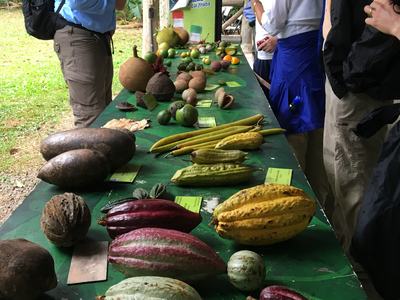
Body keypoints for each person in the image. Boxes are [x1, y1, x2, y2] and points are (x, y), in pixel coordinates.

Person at [322, 0, 400, 253]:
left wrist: (348, 74)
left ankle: (362, 278)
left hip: (358, 90)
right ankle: (348, 257)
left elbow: (381, 19)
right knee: (339, 182)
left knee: (354, 188)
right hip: (345, 83)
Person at [252, 0, 333, 213]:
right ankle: (320, 204)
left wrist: (255, 4)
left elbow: (271, 23)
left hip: (293, 67)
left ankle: (293, 203)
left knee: (294, 132)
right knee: (316, 131)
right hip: (312, 61)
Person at [53, 0, 127, 128]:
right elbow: (78, 3)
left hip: (98, 38)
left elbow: (120, 4)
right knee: (91, 118)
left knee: (103, 112)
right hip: (79, 37)